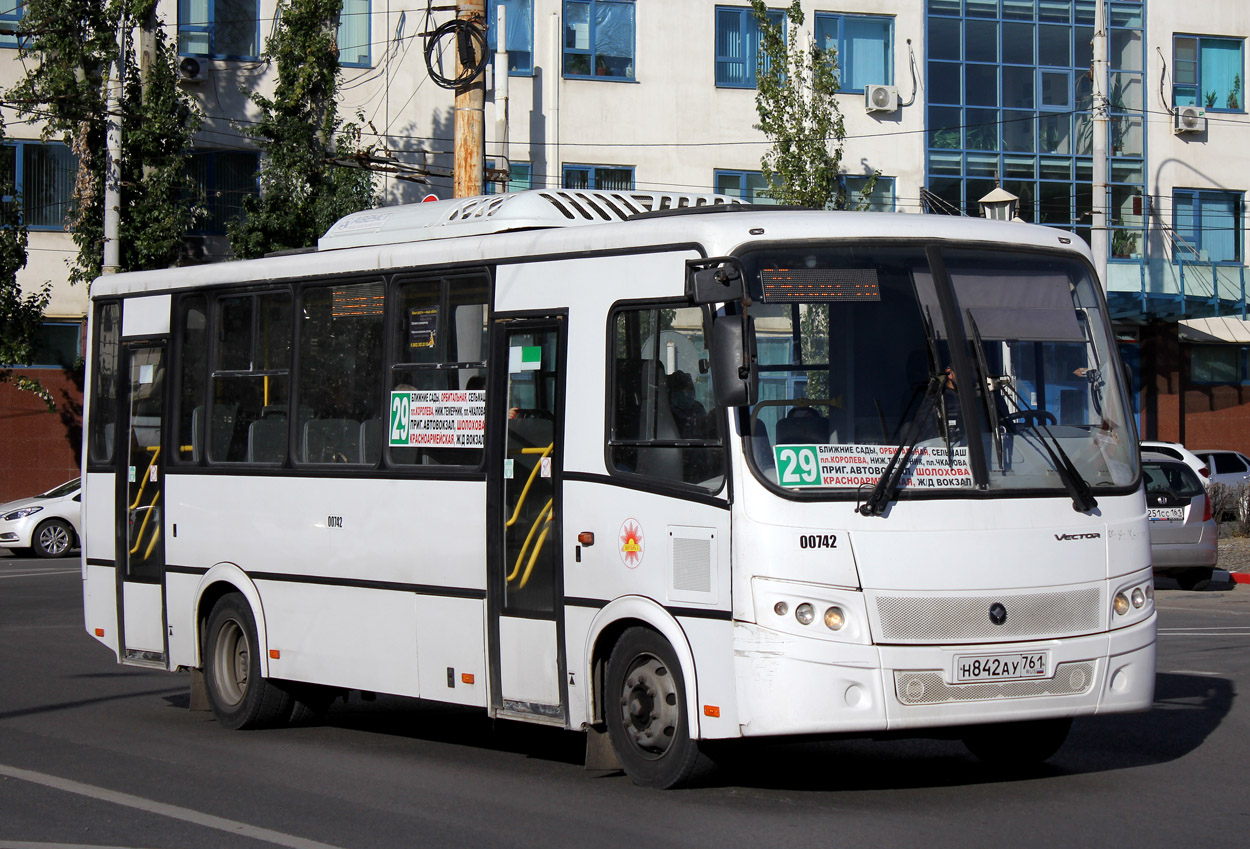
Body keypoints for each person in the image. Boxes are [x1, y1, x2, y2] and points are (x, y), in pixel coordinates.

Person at [668, 370, 708, 438]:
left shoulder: (698, 408)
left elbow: (706, 431)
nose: (687, 393)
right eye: (681, 389)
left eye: (690, 388)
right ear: (672, 392)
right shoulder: (666, 412)